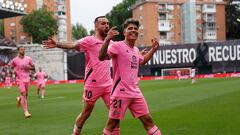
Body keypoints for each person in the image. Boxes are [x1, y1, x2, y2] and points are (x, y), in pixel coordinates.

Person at [42, 16, 120, 135]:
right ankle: (75, 133)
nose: (107, 26)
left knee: (115, 113)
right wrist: (57, 43)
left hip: (108, 84)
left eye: (108, 23)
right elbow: (73, 44)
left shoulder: (111, 43)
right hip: (92, 84)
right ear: (96, 26)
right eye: (103, 23)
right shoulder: (89, 41)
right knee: (86, 114)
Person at [99, 18, 161, 135]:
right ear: (124, 32)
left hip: (135, 92)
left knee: (148, 120)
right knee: (112, 124)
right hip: (120, 93)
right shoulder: (117, 46)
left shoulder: (136, 50)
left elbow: (141, 61)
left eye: (136, 29)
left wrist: (153, 49)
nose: (133, 30)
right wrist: (107, 39)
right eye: (130, 28)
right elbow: (101, 57)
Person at [8, 46, 35, 118]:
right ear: (18, 51)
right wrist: (13, 72)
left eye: (24, 49)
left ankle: (19, 98)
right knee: (23, 94)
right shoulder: (15, 60)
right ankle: (26, 112)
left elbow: (33, 68)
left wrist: (29, 67)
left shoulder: (28, 58)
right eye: (21, 49)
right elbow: (10, 67)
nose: (23, 51)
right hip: (19, 79)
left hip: (27, 79)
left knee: (25, 95)